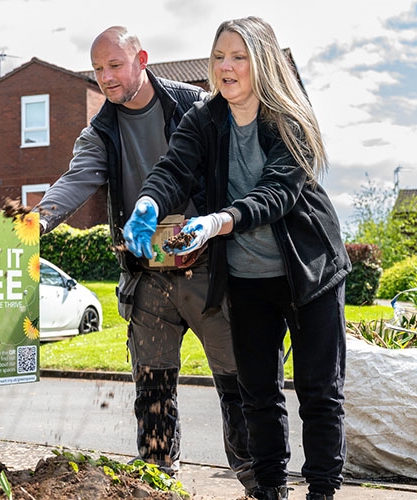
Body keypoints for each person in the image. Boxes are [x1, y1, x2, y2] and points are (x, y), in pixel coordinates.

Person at [123, 16, 350, 500]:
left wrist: (214, 222)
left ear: (261, 62)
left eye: (238, 57)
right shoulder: (204, 119)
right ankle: (269, 491)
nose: (226, 67)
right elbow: (173, 169)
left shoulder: (288, 120)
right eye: (219, 57)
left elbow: (276, 195)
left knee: (318, 394)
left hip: (308, 275)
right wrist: (148, 202)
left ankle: (323, 492)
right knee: (258, 397)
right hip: (247, 278)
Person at [36, 25, 255, 490]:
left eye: (115, 65)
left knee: (238, 383)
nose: (106, 78)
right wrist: (37, 220)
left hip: (206, 270)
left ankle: (258, 481)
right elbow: (77, 181)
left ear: (142, 60)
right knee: (152, 389)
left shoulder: (192, 107)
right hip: (148, 278)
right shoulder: (101, 130)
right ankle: (159, 483)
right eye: (98, 70)